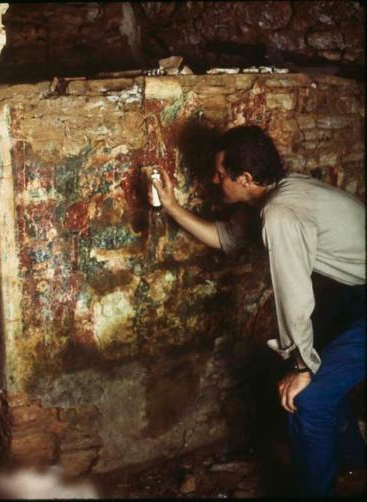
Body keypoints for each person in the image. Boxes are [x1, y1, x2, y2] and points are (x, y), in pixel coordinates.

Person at [151, 125, 365, 496]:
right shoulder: (274, 195)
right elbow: (225, 238)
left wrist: (300, 366)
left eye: (221, 174)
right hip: (355, 295)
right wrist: (170, 206)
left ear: (246, 178)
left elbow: (293, 294)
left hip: (360, 299)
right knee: (322, 374)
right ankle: (354, 467)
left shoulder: (280, 213)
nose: (214, 179)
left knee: (305, 395)